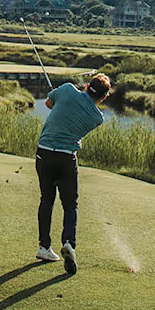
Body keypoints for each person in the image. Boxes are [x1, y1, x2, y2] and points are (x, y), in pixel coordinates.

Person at [35, 73, 112, 274]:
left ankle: (44, 247)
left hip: (44, 153)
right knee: (70, 205)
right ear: (103, 97)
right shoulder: (97, 118)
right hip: (66, 158)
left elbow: (49, 104)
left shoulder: (67, 89)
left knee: (47, 200)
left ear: (87, 85)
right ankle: (69, 243)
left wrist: (61, 97)